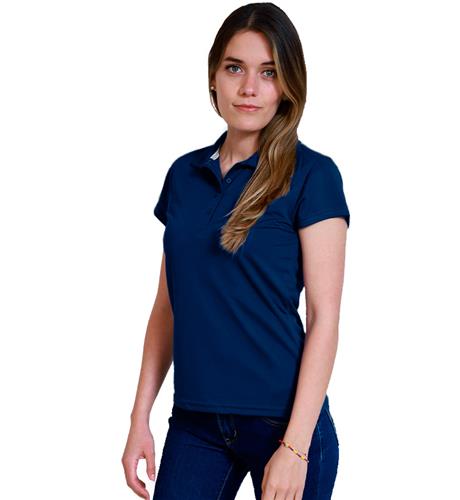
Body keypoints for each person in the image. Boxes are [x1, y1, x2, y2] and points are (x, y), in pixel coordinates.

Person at [122, 3, 350, 499]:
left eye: (268, 72)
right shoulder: (184, 176)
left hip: (283, 423)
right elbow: (167, 307)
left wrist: (295, 447)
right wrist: (140, 417)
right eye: (235, 68)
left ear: (287, 85)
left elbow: (324, 318)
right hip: (196, 422)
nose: (249, 88)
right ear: (213, 77)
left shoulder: (314, 176)